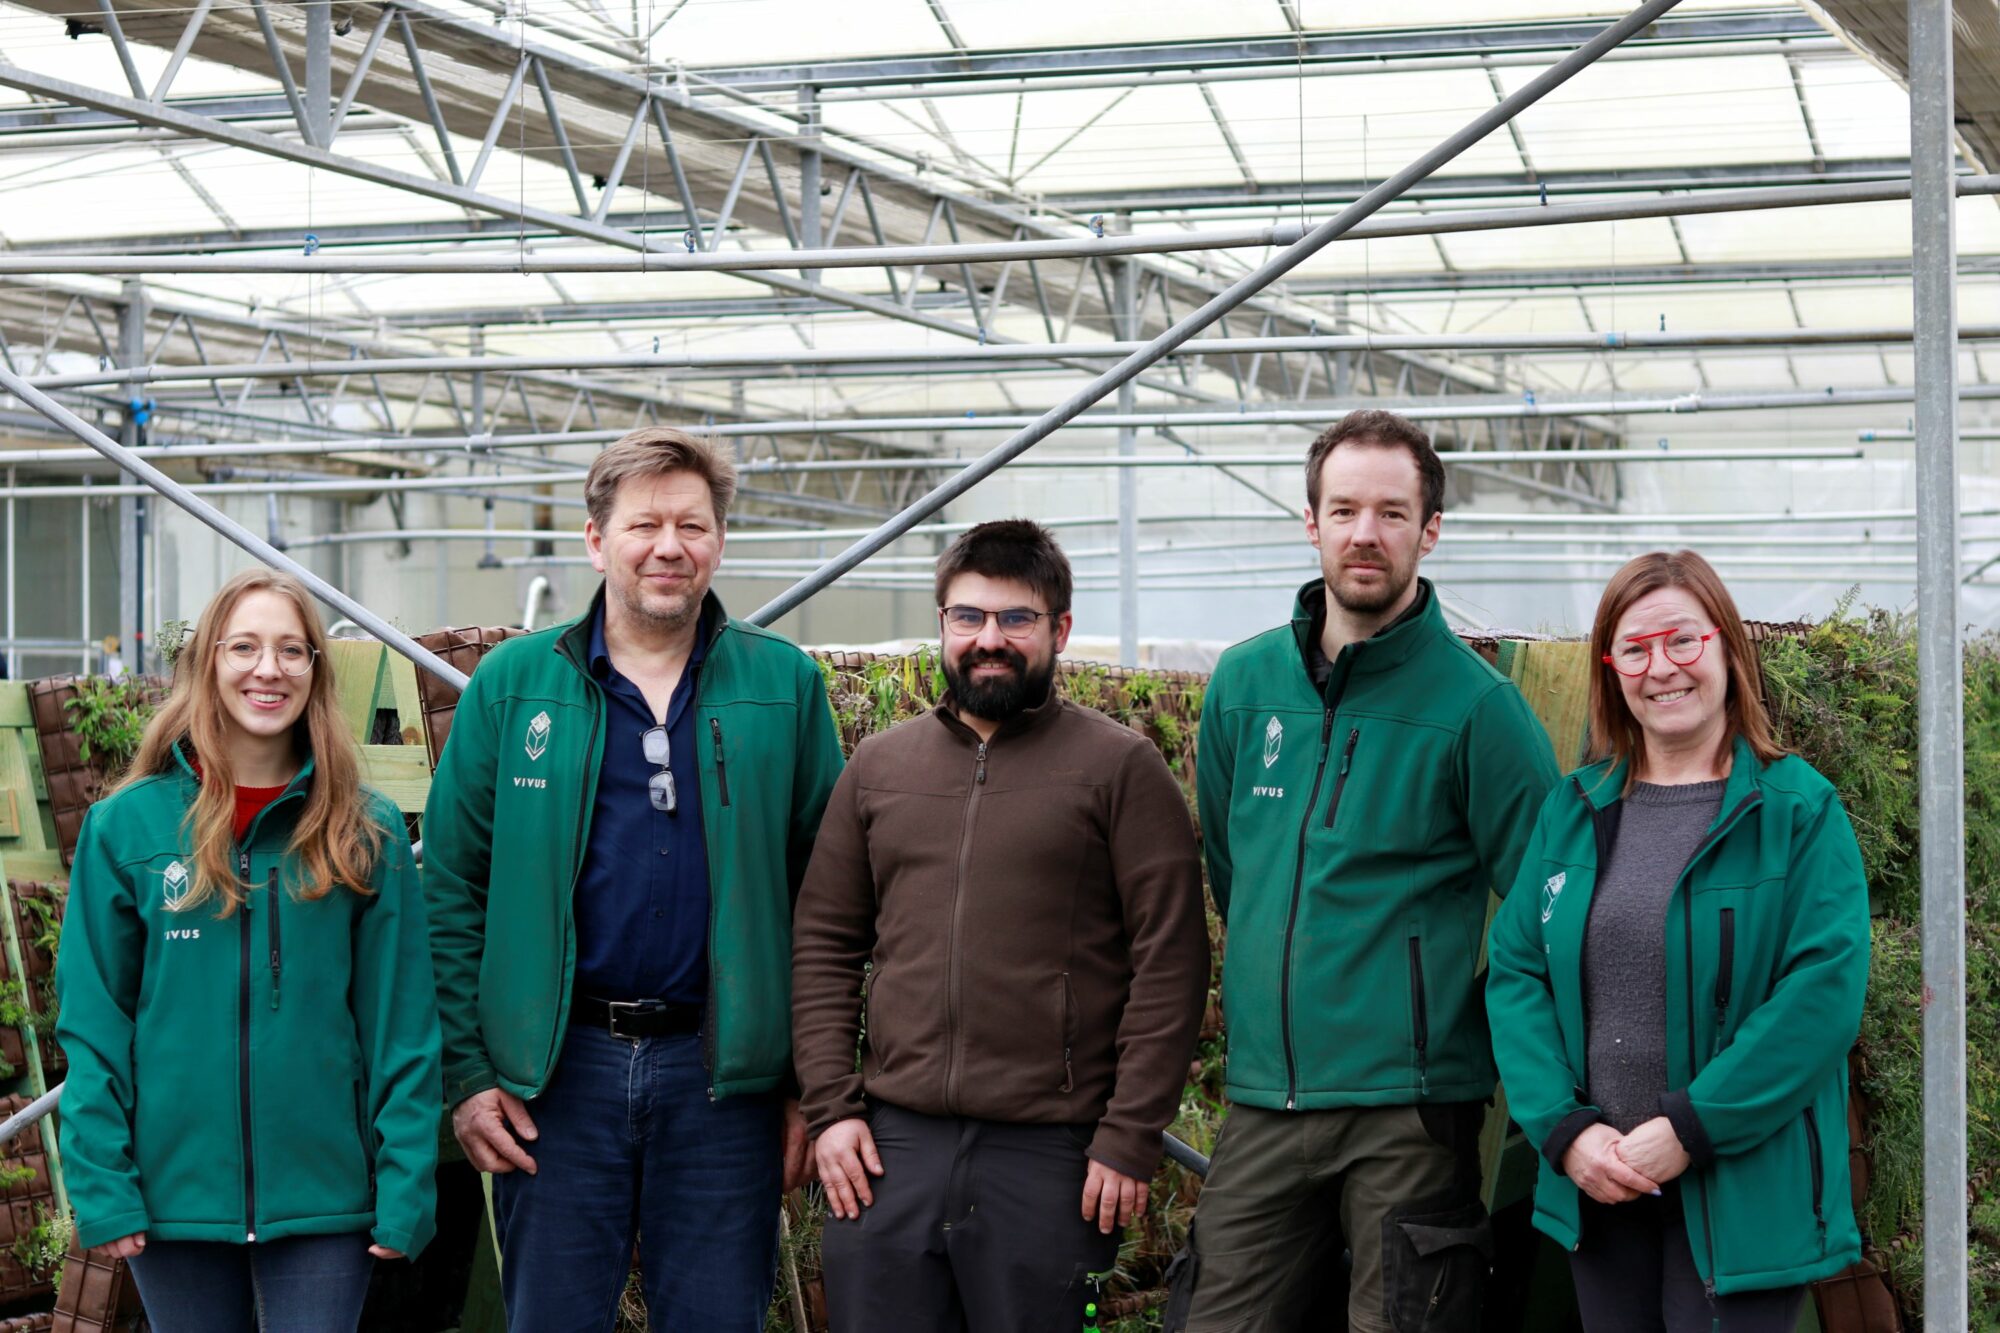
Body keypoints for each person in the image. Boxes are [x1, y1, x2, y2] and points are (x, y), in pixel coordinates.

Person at [422, 426, 845, 1331]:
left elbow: (832, 904)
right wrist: (469, 1073)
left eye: (691, 525)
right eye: (644, 524)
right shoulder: (513, 686)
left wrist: (813, 1085)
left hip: (723, 1081)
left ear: (718, 541)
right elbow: (452, 888)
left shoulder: (783, 687)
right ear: (595, 539)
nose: (668, 546)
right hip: (554, 1078)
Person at [1183, 409, 1561, 1333]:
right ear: (1310, 522)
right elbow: (1235, 872)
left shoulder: (1478, 708)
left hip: (1409, 1112)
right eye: (1345, 509)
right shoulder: (1243, 685)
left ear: (1430, 532)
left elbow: (1549, 904)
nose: (1365, 533)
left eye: (1392, 513)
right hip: (1266, 1098)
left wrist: (1453, 1024)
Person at [793, 519, 1210, 1332]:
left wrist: (1129, 1134)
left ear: (1060, 629)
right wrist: (832, 1109)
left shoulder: (1120, 768)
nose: (990, 638)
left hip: (1051, 1157)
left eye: (1017, 618)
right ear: (943, 623)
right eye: (969, 616)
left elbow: (1171, 962)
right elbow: (822, 945)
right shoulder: (879, 767)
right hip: (891, 1149)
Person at [1486, 551, 1869, 1331]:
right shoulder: (1574, 807)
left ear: (1726, 646)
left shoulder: (1797, 811)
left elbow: (1821, 996)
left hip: (1744, 1193)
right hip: (1603, 1186)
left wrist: (1692, 1127)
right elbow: (1517, 971)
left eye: (1683, 640)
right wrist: (1566, 1131)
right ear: (1612, 669)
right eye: (1634, 648)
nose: (1661, 667)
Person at [56, 568, 441, 1333]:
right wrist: (104, 1185)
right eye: (245, 647)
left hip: (328, 1198)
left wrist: (406, 1185)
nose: (269, 668)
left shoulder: (365, 831)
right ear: (208, 662)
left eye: (292, 650)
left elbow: (402, 1026)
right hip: (173, 1201)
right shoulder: (126, 829)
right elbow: (94, 1027)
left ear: (315, 670)